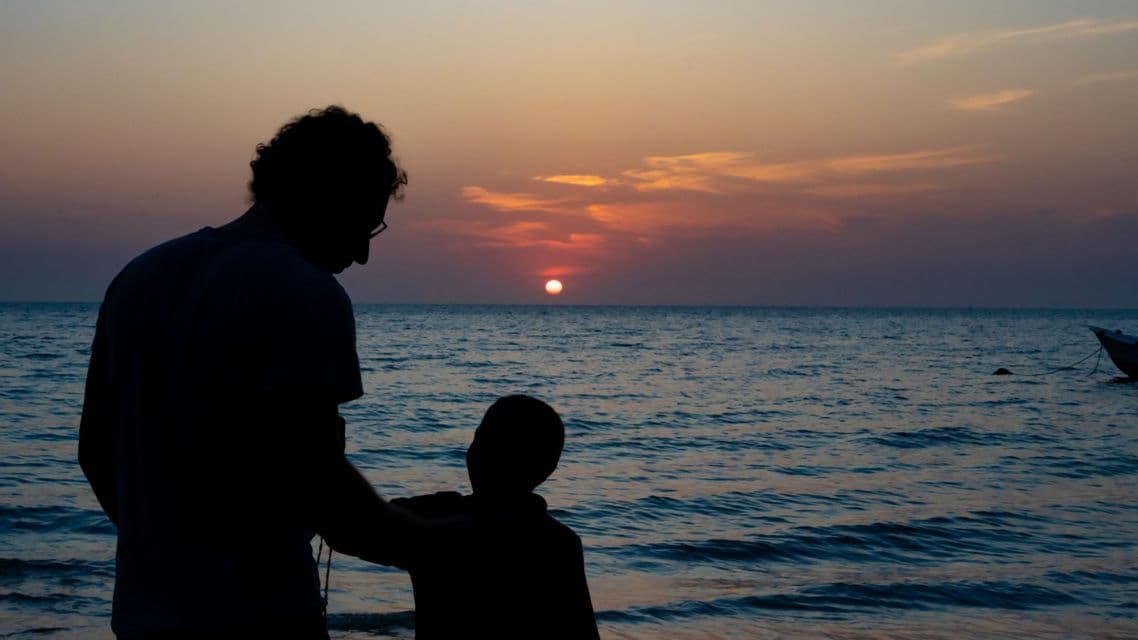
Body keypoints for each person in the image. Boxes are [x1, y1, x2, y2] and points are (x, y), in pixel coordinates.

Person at [78, 106, 423, 639]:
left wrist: (172, 549)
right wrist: (441, 550)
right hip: (263, 618)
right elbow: (324, 492)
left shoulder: (140, 276)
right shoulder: (306, 293)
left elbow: (95, 453)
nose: (362, 254)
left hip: (142, 620)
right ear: (329, 190)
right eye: (365, 223)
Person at [391, 395, 600, 640]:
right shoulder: (559, 543)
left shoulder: (436, 517)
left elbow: (351, 527)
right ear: (548, 468)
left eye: (481, 439)